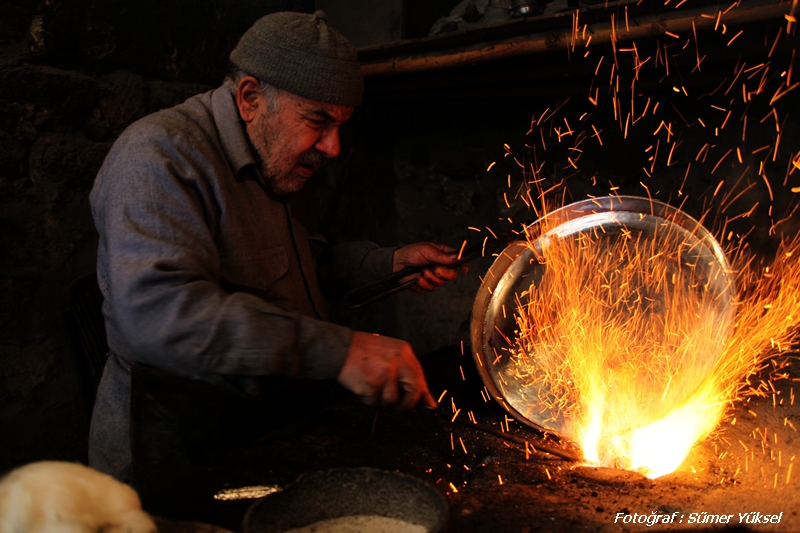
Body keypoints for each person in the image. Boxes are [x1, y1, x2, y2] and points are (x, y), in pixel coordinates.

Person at [87, 10, 466, 494]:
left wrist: (389, 264)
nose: (332, 148)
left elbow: (305, 262)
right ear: (250, 98)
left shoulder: (275, 157)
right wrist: (341, 350)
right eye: (318, 121)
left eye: (342, 125)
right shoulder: (158, 157)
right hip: (175, 453)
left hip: (261, 432)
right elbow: (161, 316)